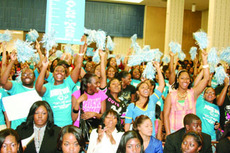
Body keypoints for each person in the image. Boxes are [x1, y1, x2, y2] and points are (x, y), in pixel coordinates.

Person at [35, 36, 87, 127]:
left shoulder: (68, 83)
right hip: (52, 126)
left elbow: (78, 66)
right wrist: (44, 68)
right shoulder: (48, 87)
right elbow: (38, 88)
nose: (59, 72)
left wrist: (81, 49)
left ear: (65, 73)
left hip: (67, 125)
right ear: (53, 73)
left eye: (62, 71)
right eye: (57, 71)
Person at [164, 51, 209, 135]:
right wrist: (168, 133)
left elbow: (206, 78)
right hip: (174, 132)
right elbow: (165, 115)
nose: (185, 80)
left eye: (187, 78)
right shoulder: (171, 95)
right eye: (182, 78)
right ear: (177, 80)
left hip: (191, 132)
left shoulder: (192, 93)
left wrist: (204, 60)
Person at [125, 61, 165, 136]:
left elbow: (162, 85)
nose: (146, 89)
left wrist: (158, 68)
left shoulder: (152, 100)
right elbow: (127, 126)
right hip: (138, 140)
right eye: (143, 87)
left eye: (147, 88)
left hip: (151, 139)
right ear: (137, 92)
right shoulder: (132, 106)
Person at [0, 51, 37, 129]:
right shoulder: (16, 86)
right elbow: (3, 82)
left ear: (34, 78)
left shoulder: (38, 90)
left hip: (33, 129)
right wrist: (12, 61)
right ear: (20, 77)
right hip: (17, 129)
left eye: (30, 74)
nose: (27, 76)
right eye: (24, 74)